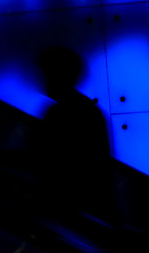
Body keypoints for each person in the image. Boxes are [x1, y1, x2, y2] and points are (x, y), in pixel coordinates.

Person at [32, 46, 114, 222]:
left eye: (46, 72)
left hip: (65, 209)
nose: (41, 79)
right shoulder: (89, 111)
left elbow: (38, 158)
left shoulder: (60, 112)